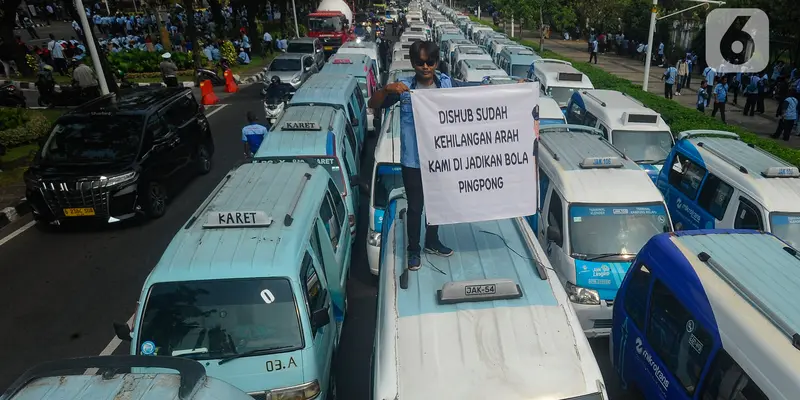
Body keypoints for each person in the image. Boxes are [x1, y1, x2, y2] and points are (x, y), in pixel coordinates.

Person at [367, 41, 480, 271]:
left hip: (441, 159)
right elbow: (373, 103)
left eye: (430, 62)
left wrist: (513, 88)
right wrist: (387, 89)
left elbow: (475, 91)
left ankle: (432, 241)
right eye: (420, 62)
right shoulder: (404, 89)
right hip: (413, 161)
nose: (425, 66)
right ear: (413, 63)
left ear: (437, 63)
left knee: (439, 203)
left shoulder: (447, 84)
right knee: (416, 207)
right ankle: (413, 250)